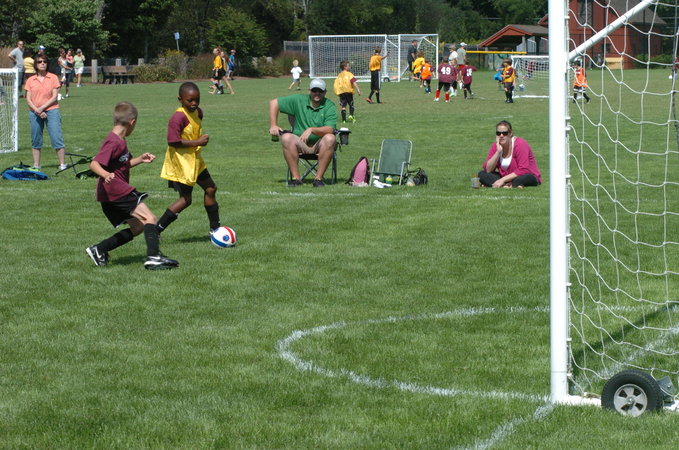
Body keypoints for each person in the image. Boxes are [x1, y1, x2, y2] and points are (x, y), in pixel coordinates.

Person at [86, 101, 179, 270]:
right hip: (116, 191)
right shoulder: (113, 141)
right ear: (132, 122)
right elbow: (94, 164)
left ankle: (99, 249)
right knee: (150, 218)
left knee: (138, 226)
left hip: (109, 194)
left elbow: (123, 165)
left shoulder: (120, 140)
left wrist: (140, 159)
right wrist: (106, 174)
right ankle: (153, 257)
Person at [156, 82, 222, 235]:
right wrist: (197, 142)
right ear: (180, 99)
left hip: (195, 160)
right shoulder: (178, 117)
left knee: (211, 189)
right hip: (182, 163)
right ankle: (156, 230)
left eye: (197, 100)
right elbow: (172, 141)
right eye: (190, 100)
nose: (194, 103)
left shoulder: (198, 112)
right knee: (186, 199)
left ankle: (215, 230)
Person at [268, 78, 338, 187]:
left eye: (320, 91)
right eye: (314, 90)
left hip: (320, 145)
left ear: (325, 92)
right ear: (309, 91)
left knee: (330, 138)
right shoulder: (298, 100)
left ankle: (318, 179)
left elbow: (330, 129)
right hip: (300, 142)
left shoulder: (329, 105)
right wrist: (273, 125)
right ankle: (296, 179)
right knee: (286, 137)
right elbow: (274, 103)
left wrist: (312, 129)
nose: (317, 93)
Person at [24, 54, 67, 171]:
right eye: (39, 62)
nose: (42, 63)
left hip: (52, 110)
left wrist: (42, 108)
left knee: (56, 136)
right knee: (36, 138)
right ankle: (36, 165)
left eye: (44, 61)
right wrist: (37, 110)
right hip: (34, 112)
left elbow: (54, 97)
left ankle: (62, 164)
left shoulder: (53, 77)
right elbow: (28, 99)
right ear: (35, 64)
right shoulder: (30, 80)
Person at [478, 120, 541, 188]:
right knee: (482, 174)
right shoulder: (495, 146)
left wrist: (502, 180)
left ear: (510, 134)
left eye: (504, 133)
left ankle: (503, 184)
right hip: (506, 177)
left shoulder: (520, 144)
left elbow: (524, 169)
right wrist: (498, 152)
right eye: (498, 133)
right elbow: (488, 170)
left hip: (524, 175)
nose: (501, 136)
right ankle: (509, 185)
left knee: (526, 177)